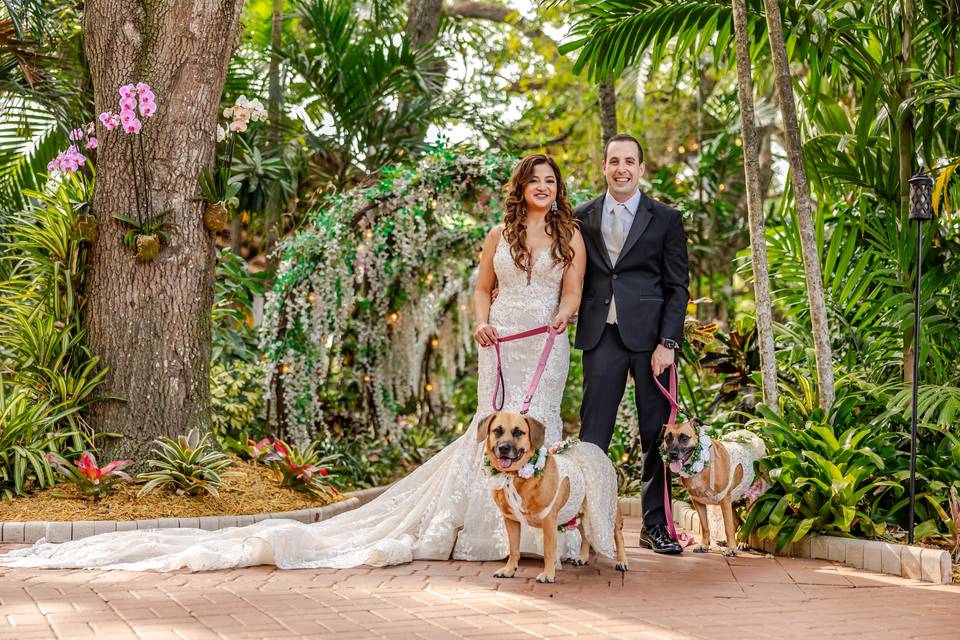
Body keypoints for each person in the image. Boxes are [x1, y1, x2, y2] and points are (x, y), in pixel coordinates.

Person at [0, 154, 605, 572]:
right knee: (492, 430)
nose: (544, 187)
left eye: (552, 180)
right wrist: (481, 319)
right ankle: (488, 530)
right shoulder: (497, 236)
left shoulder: (571, 233)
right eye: (536, 179)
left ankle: (544, 526)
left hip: (545, 346)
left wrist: (564, 316)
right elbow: (480, 289)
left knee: (538, 432)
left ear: (558, 188)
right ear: (521, 185)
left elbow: (574, 290)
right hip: (501, 343)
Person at [573, 134, 690, 554]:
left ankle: (655, 526)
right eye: (614, 161)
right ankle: (589, 526)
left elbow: (678, 287)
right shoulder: (581, 217)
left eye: (630, 161)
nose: (621, 168)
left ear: (642, 168)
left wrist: (668, 343)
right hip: (600, 336)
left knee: (658, 436)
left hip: (651, 344)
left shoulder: (666, 219)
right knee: (593, 437)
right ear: (603, 166)